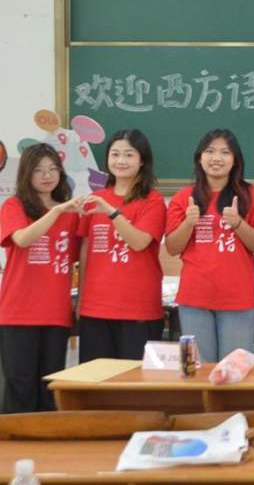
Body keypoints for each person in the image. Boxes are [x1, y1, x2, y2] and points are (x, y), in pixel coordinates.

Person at [164, 129, 254, 362]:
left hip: (236, 297)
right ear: (199, 158)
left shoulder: (250, 195)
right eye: (210, 151)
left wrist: (238, 223)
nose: (216, 158)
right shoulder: (184, 197)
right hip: (194, 297)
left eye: (225, 152)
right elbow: (172, 247)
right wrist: (188, 223)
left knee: (234, 371)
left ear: (235, 160)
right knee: (199, 371)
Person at [0, 143, 82, 412]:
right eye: (38, 170)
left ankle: (48, 439)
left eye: (53, 169)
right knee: (19, 384)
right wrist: (55, 211)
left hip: (55, 313)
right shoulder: (14, 206)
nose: (47, 176)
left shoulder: (71, 215)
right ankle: (15, 438)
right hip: (18, 312)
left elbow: (80, 257)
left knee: (50, 386)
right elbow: (23, 239)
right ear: (27, 174)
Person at [78, 129, 167, 361]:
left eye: (129, 154)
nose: (121, 160)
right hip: (95, 307)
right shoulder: (95, 199)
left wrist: (112, 213)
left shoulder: (153, 200)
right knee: (94, 378)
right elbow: (86, 250)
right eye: (115, 154)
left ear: (142, 160)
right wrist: (82, 299)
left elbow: (139, 242)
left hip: (138, 308)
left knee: (133, 380)